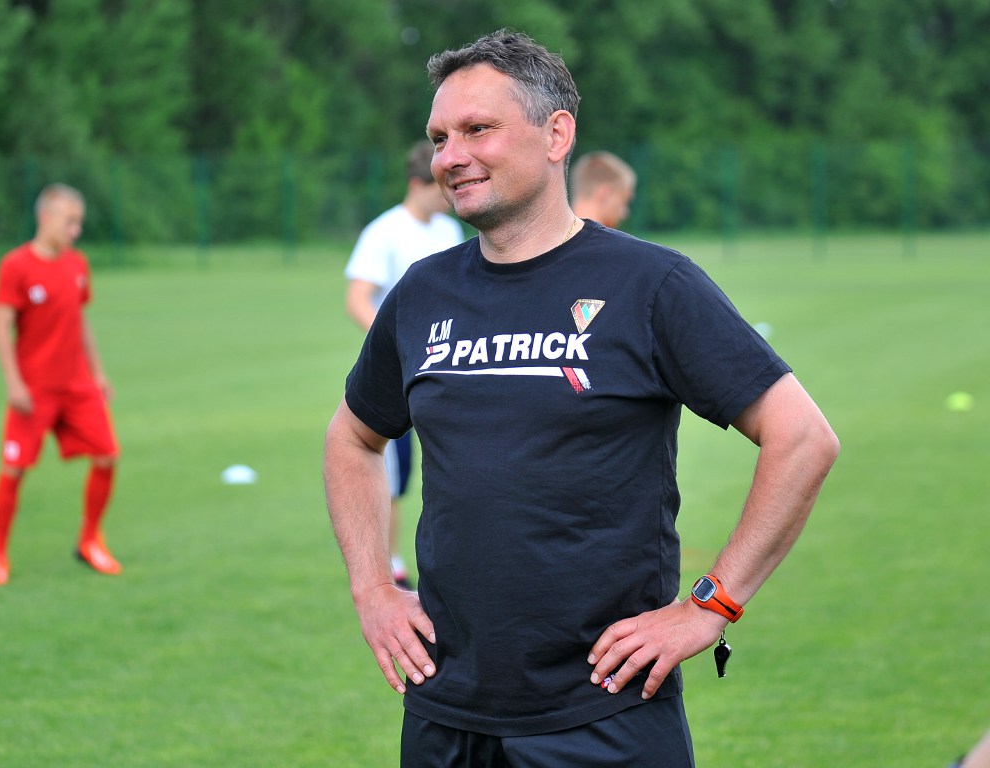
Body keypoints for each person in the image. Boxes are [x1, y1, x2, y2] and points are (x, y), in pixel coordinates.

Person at [323, 29, 839, 767]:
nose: (450, 157)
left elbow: (803, 437)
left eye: (478, 129)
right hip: (445, 707)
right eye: (439, 138)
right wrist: (373, 587)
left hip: (604, 709)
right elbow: (353, 438)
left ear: (556, 135)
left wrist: (710, 606)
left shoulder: (652, 285)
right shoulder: (422, 293)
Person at [0, 183, 122, 586]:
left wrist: (97, 373)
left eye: (79, 222)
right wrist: (14, 382)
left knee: (107, 456)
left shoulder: (77, 264)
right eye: (69, 221)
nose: (76, 230)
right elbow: (1, 326)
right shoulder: (16, 266)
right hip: (34, 389)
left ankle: (89, 540)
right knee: (14, 468)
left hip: (77, 385)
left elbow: (80, 321)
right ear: (45, 217)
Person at [344, 140, 464, 588]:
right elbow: (357, 299)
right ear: (416, 184)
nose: (449, 194)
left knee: (452, 463)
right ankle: (391, 565)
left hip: (449, 367)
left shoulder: (449, 230)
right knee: (389, 469)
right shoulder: (384, 232)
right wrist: (399, 345)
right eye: (439, 186)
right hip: (399, 370)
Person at [570, 150, 637, 229]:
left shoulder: (559, 232)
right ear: (605, 193)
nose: (624, 214)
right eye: (622, 203)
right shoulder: (608, 237)